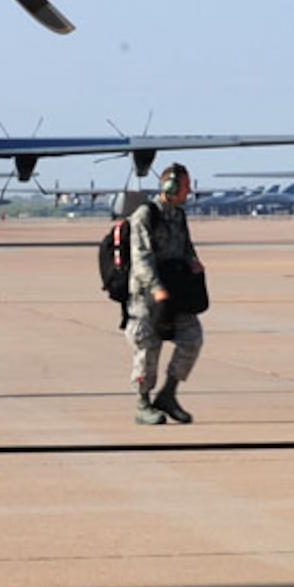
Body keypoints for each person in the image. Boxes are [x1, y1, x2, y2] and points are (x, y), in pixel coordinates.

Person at [126, 163, 206, 426]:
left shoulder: (179, 216)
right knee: (148, 347)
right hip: (147, 296)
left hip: (174, 292)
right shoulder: (144, 215)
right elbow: (141, 257)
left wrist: (193, 263)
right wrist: (156, 288)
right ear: (170, 187)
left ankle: (168, 394)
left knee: (192, 338)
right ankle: (143, 404)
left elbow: (186, 247)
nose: (189, 191)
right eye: (185, 185)